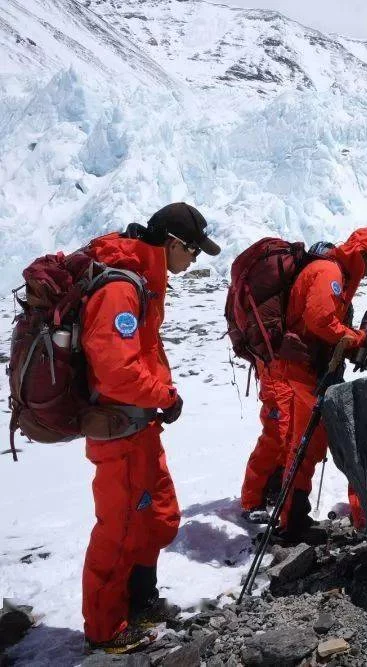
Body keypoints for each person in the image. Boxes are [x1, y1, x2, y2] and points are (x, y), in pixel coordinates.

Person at [81, 203, 220, 653]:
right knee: (118, 530)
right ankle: (106, 630)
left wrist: (160, 395)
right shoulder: (122, 287)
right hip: (120, 432)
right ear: (173, 243)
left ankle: (140, 601)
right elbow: (117, 370)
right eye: (193, 251)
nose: (193, 261)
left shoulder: (144, 283)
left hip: (141, 428)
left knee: (157, 516)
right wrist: (165, 395)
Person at [272, 227, 367, 540]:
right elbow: (319, 319)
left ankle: (293, 517)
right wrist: (356, 338)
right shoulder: (329, 271)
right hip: (308, 369)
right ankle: (293, 520)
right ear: (359, 254)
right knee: (308, 443)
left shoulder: (335, 272)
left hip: (308, 368)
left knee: (304, 444)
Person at [239, 359, 291, 522]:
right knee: (275, 439)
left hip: (286, 373)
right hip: (276, 374)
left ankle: (273, 488)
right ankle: (252, 501)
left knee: (288, 438)